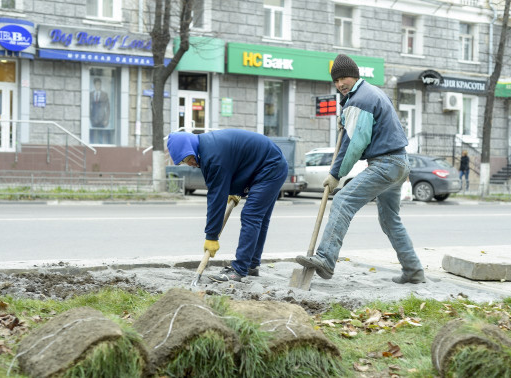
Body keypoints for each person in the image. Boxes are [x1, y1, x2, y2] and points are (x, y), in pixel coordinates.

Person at [295, 54, 425, 284]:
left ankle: (326, 258)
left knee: (343, 200)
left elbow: (355, 144)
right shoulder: (371, 93)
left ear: (355, 76)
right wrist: (347, 117)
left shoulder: (360, 100)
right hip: (399, 164)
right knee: (390, 220)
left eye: (343, 78)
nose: (339, 84)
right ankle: (413, 271)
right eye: (336, 81)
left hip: (386, 164)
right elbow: (371, 127)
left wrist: (336, 174)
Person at [167, 129, 288, 282]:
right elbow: (237, 162)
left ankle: (239, 269)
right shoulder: (206, 146)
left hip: (270, 168)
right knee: (259, 218)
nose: (190, 164)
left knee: (251, 215)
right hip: (268, 165)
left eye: (187, 158)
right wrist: (236, 189)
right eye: (184, 162)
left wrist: (211, 236)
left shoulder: (212, 156)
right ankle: (251, 265)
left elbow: (216, 198)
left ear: (191, 148)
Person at [89, 78, 110, 144]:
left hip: (102, 118)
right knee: (92, 135)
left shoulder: (104, 94)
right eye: (96, 84)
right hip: (93, 118)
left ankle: (100, 148)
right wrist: (90, 117)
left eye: (99, 84)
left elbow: (108, 107)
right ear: (94, 85)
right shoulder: (91, 94)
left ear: (100, 85)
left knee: (100, 136)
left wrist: (106, 119)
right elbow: (89, 107)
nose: (98, 86)